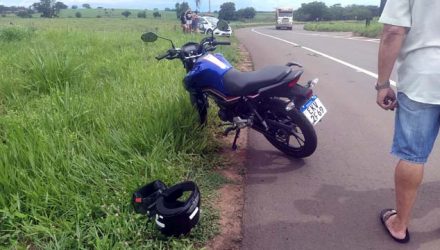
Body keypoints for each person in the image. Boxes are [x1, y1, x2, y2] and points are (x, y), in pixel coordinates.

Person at [376, 0, 440, 244]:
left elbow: (394, 31)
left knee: (413, 155)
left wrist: (382, 84)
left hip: (422, 78)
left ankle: (399, 224)